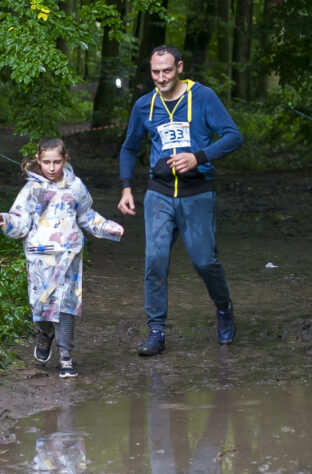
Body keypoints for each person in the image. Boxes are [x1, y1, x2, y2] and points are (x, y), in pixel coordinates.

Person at [117, 45, 243, 356]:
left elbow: (233, 136)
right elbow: (129, 148)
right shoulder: (144, 105)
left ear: (180, 67)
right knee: (155, 261)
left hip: (197, 192)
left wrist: (198, 157)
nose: (161, 77)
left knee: (204, 261)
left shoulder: (203, 97)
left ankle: (224, 308)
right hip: (158, 192)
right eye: (155, 72)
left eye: (167, 71)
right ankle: (156, 331)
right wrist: (126, 187)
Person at [0, 138, 124, 377]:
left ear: (65, 160)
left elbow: (86, 216)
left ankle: (66, 357)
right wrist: (5, 220)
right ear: (38, 161)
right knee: (41, 306)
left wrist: (107, 227)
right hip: (40, 258)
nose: (52, 168)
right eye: (46, 162)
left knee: (66, 305)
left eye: (57, 162)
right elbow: (19, 221)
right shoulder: (32, 190)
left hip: (69, 256)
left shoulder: (75, 187)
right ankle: (45, 334)